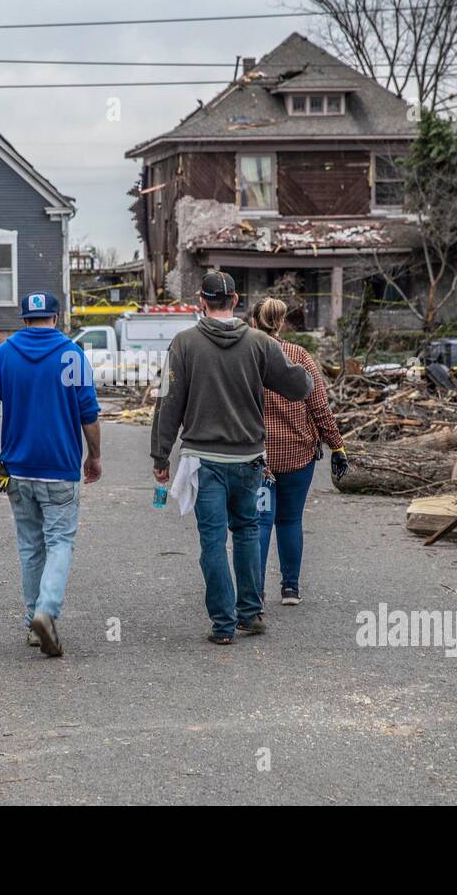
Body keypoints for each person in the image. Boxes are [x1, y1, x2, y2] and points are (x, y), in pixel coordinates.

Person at [150, 272, 312, 645]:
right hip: (249, 458)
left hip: (203, 460)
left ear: (200, 301)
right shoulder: (259, 343)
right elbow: (297, 386)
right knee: (247, 532)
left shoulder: (184, 343)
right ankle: (250, 614)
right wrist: (300, 365)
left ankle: (223, 625)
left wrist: (160, 456)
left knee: (212, 542)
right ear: (236, 300)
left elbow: (167, 403)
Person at [0, 291, 101, 658]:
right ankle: (46, 611)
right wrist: (95, 457)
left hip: (17, 470)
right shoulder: (72, 355)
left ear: (24, 319)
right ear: (56, 318)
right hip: (60, 469)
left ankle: (33, 621)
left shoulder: (3, 355)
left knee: (31, 547)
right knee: (60, 542)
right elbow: (88, 412)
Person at [248, 297, 349, 606]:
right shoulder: (299, 355)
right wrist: (337, 445)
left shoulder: (246, 356)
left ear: (254, 322)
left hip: (258, 455)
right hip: (297, 453)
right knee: (290, 521)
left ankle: (257, 591)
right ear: (282, 323)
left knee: (260, 522)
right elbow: (319, 405)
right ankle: (290, 588)